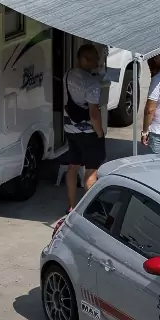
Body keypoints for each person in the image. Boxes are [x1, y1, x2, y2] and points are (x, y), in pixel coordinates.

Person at [64, 44, 105, 211]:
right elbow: (94, 114)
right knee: (91, 172)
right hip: (88, 133)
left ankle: (71, 206)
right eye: (95, 58)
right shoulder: (91, 82)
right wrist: (100, 133)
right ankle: (90, 211)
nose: (98, 61)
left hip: (70, 130)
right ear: (85, 59)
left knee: (73, 167)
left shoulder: (68, 75)